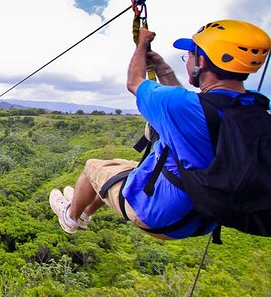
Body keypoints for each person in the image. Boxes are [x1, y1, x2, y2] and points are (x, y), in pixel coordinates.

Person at [49, 19, 270, 239]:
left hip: (161, 214)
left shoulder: (180, 104)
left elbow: (134, 82)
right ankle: (86, 212)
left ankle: (71, 217)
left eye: (190, 55)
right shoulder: (253, 108)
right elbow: (199, 109)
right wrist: (164, 70)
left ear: (201, 61)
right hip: (203, 218)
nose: (188, 59)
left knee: (92, 167)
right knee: (120, 166)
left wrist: (141, 44)